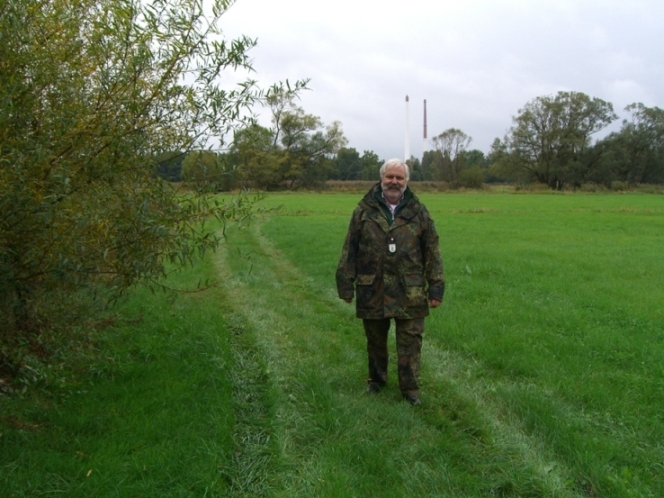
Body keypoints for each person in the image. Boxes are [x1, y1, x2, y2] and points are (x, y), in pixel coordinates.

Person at [336, 158, 445, 406]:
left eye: (399, 177)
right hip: (372, 288)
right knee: (375, 340)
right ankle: (376, 381)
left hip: (410, 290)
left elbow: (432, 250)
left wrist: (436, 286)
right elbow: (350, 248)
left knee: (411, 341)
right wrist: (345, 283)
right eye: (390, 177)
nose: (394, 182)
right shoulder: (363, 211)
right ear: (382, 179)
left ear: (406, 181)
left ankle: (410, 390)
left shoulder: (419, 211)